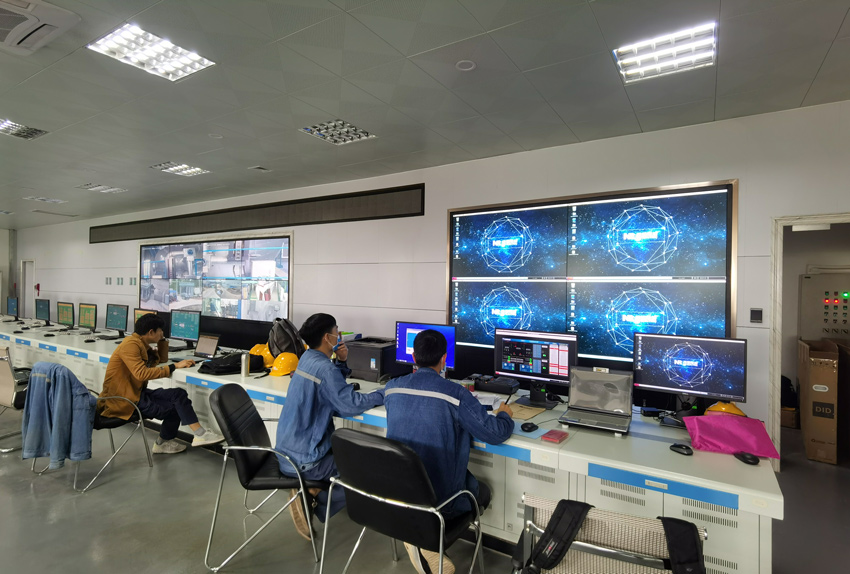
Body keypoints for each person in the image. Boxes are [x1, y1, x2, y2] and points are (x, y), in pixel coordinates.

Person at [384, 329, 514, 574]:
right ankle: (427, 539)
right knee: (483, 491)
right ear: (444, 358)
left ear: (413, 356)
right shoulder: (455, 394)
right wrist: (505, 415)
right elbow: (495, 434)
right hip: (443, 503)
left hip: (400, 495)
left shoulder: (392, 388)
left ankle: (417, 535)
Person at [274, 313, 384, 540]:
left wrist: (341, 361)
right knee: (368, 469)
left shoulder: (307, 358)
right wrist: (384, 393)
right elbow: (349, 405)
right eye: (337, 331)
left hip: (287, 454)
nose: (339, 335)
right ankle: (312, 497)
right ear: (327, 337)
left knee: (353, 455)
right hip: (306, 462)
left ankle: (311, 493)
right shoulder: (324, 369)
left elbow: (332, 387)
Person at [98, 313, 224, 454]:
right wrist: (174, 366)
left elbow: (160, 361)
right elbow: (142, 373)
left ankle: (183, 438)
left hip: (136, 394)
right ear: (151, 332)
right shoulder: (130, 345)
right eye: (160, 331)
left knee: (178, 394)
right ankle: (192, 436)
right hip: (124, 400)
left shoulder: (140, 342)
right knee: (176, 406)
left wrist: (162, 340)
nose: (162, 333)